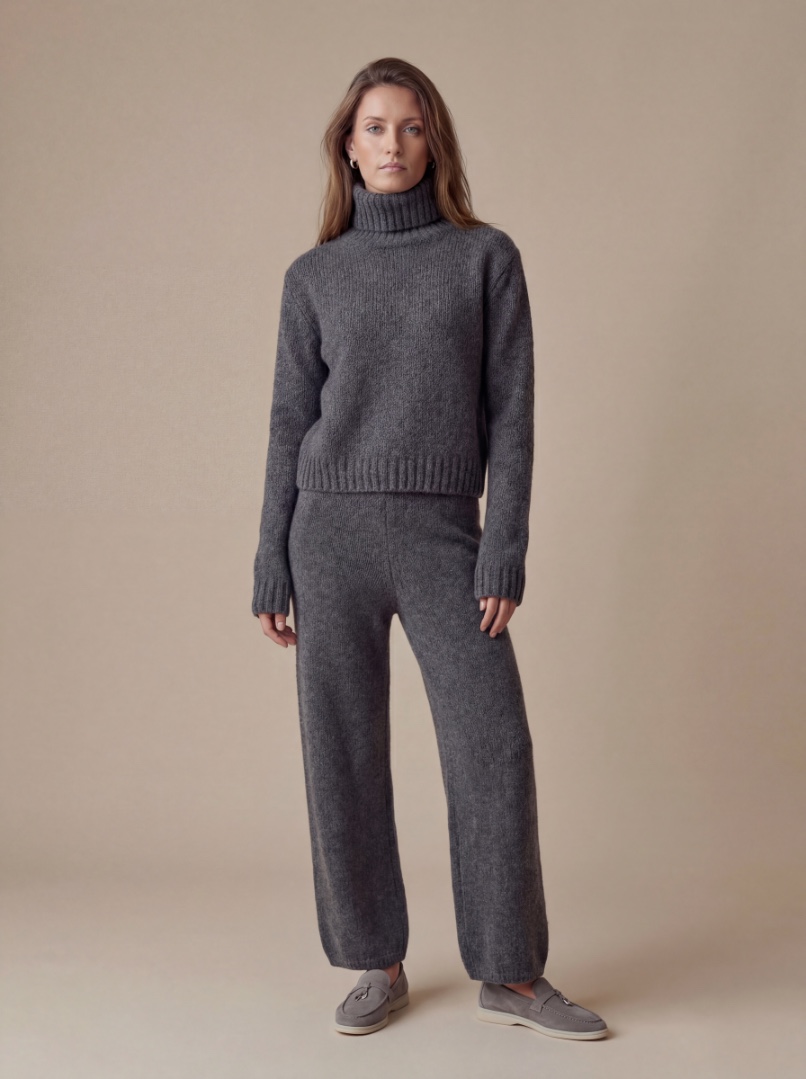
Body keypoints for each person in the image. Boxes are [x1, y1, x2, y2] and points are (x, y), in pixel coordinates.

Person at [252, 57, 608, 1042]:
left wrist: (505, 544)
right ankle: (374, 959)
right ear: (346, 145)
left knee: (491, 742)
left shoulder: (483, 257)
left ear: (433, 141)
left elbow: (512, 415)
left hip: (443, 531)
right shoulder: (312, 276)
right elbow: (287, 424)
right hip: (326, 533)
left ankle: (511, 971)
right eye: (373, 127)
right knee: (341, 749)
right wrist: (271, 554)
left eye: (410, 127)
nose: (392, 144)